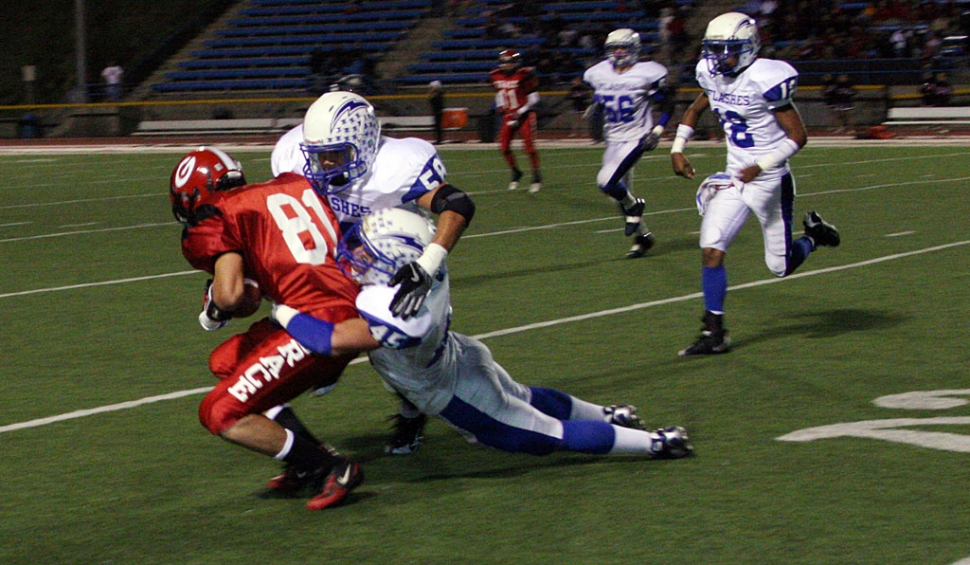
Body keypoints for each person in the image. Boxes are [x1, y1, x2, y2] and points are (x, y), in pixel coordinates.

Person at [272, 207, 693, 460]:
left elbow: (331, 340)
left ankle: (653, 443)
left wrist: (283, 308)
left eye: (367, 253)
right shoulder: (420, 273)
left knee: (547, 435)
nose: (354, 255)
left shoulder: (397, 309)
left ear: (396, 263)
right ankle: (609, 413)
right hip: (463, 356)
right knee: (525, 397)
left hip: (453, 393)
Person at [270, 91, 477, 454]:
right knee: (301, 335)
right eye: (318, 155)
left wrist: (427, 264)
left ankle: (411, 411)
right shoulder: (294, 155)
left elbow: (457, 204)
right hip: (338, 258)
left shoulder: (397, 165)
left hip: (395, 264)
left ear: (365, 143)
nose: (325, 165)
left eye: (335, 154)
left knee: (402, 361)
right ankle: (326, 378)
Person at [169, 147, 371, 510]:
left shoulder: (220, 212)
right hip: (349, 310)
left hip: (317, 323)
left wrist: (214, 304)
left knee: (219, 413)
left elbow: (231, 298)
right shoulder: (287, 186)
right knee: (226, 361)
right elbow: (254, 293)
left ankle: (328, 466)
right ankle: (304, 460)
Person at [669, 12, 841, 356]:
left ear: (747, 48)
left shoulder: (765, 78)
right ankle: (714, 330)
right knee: (711, 249)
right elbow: (695, 109)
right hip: (736, 177)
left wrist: (760, 166)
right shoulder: (713, 76)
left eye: (725, 49)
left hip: (771, 181)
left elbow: (798, 137)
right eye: (713, 49)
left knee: (779, 267)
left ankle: (813, 235)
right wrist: (677, 147)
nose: (717, 57)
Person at [583, 28, 676, 259]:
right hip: (612, 138)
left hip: (637, 137)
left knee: (606, 181)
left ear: (635, 49)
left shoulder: (647, 73)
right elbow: (602, 96)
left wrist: (657, 131)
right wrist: (596, 107)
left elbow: (668, 104)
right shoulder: (599, 73)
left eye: (624, 47)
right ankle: (643, 238)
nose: (619, 52)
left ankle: (635, 207)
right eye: (615, 48)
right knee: (618, 193)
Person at [489, 49, 543, 193]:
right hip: (508, 115)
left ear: (516, 63)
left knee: (529, 147)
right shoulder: (495, 75)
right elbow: (499, 94)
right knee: (504, 147)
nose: (505, 65)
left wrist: (519, 112)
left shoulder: (524, 75)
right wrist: (500, 106)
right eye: (503, 62)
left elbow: (534, 98)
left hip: (524, 114)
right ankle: (515, 172)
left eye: (508, 62)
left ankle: (536, 176)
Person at [428, 80, 445, 145]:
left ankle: (439, 139)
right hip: (436, 111)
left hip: (438, 112)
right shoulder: (437, 94)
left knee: (438, 126)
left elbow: (435, 103)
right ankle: (438, 139)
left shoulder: (438, 95)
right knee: (437, 126)